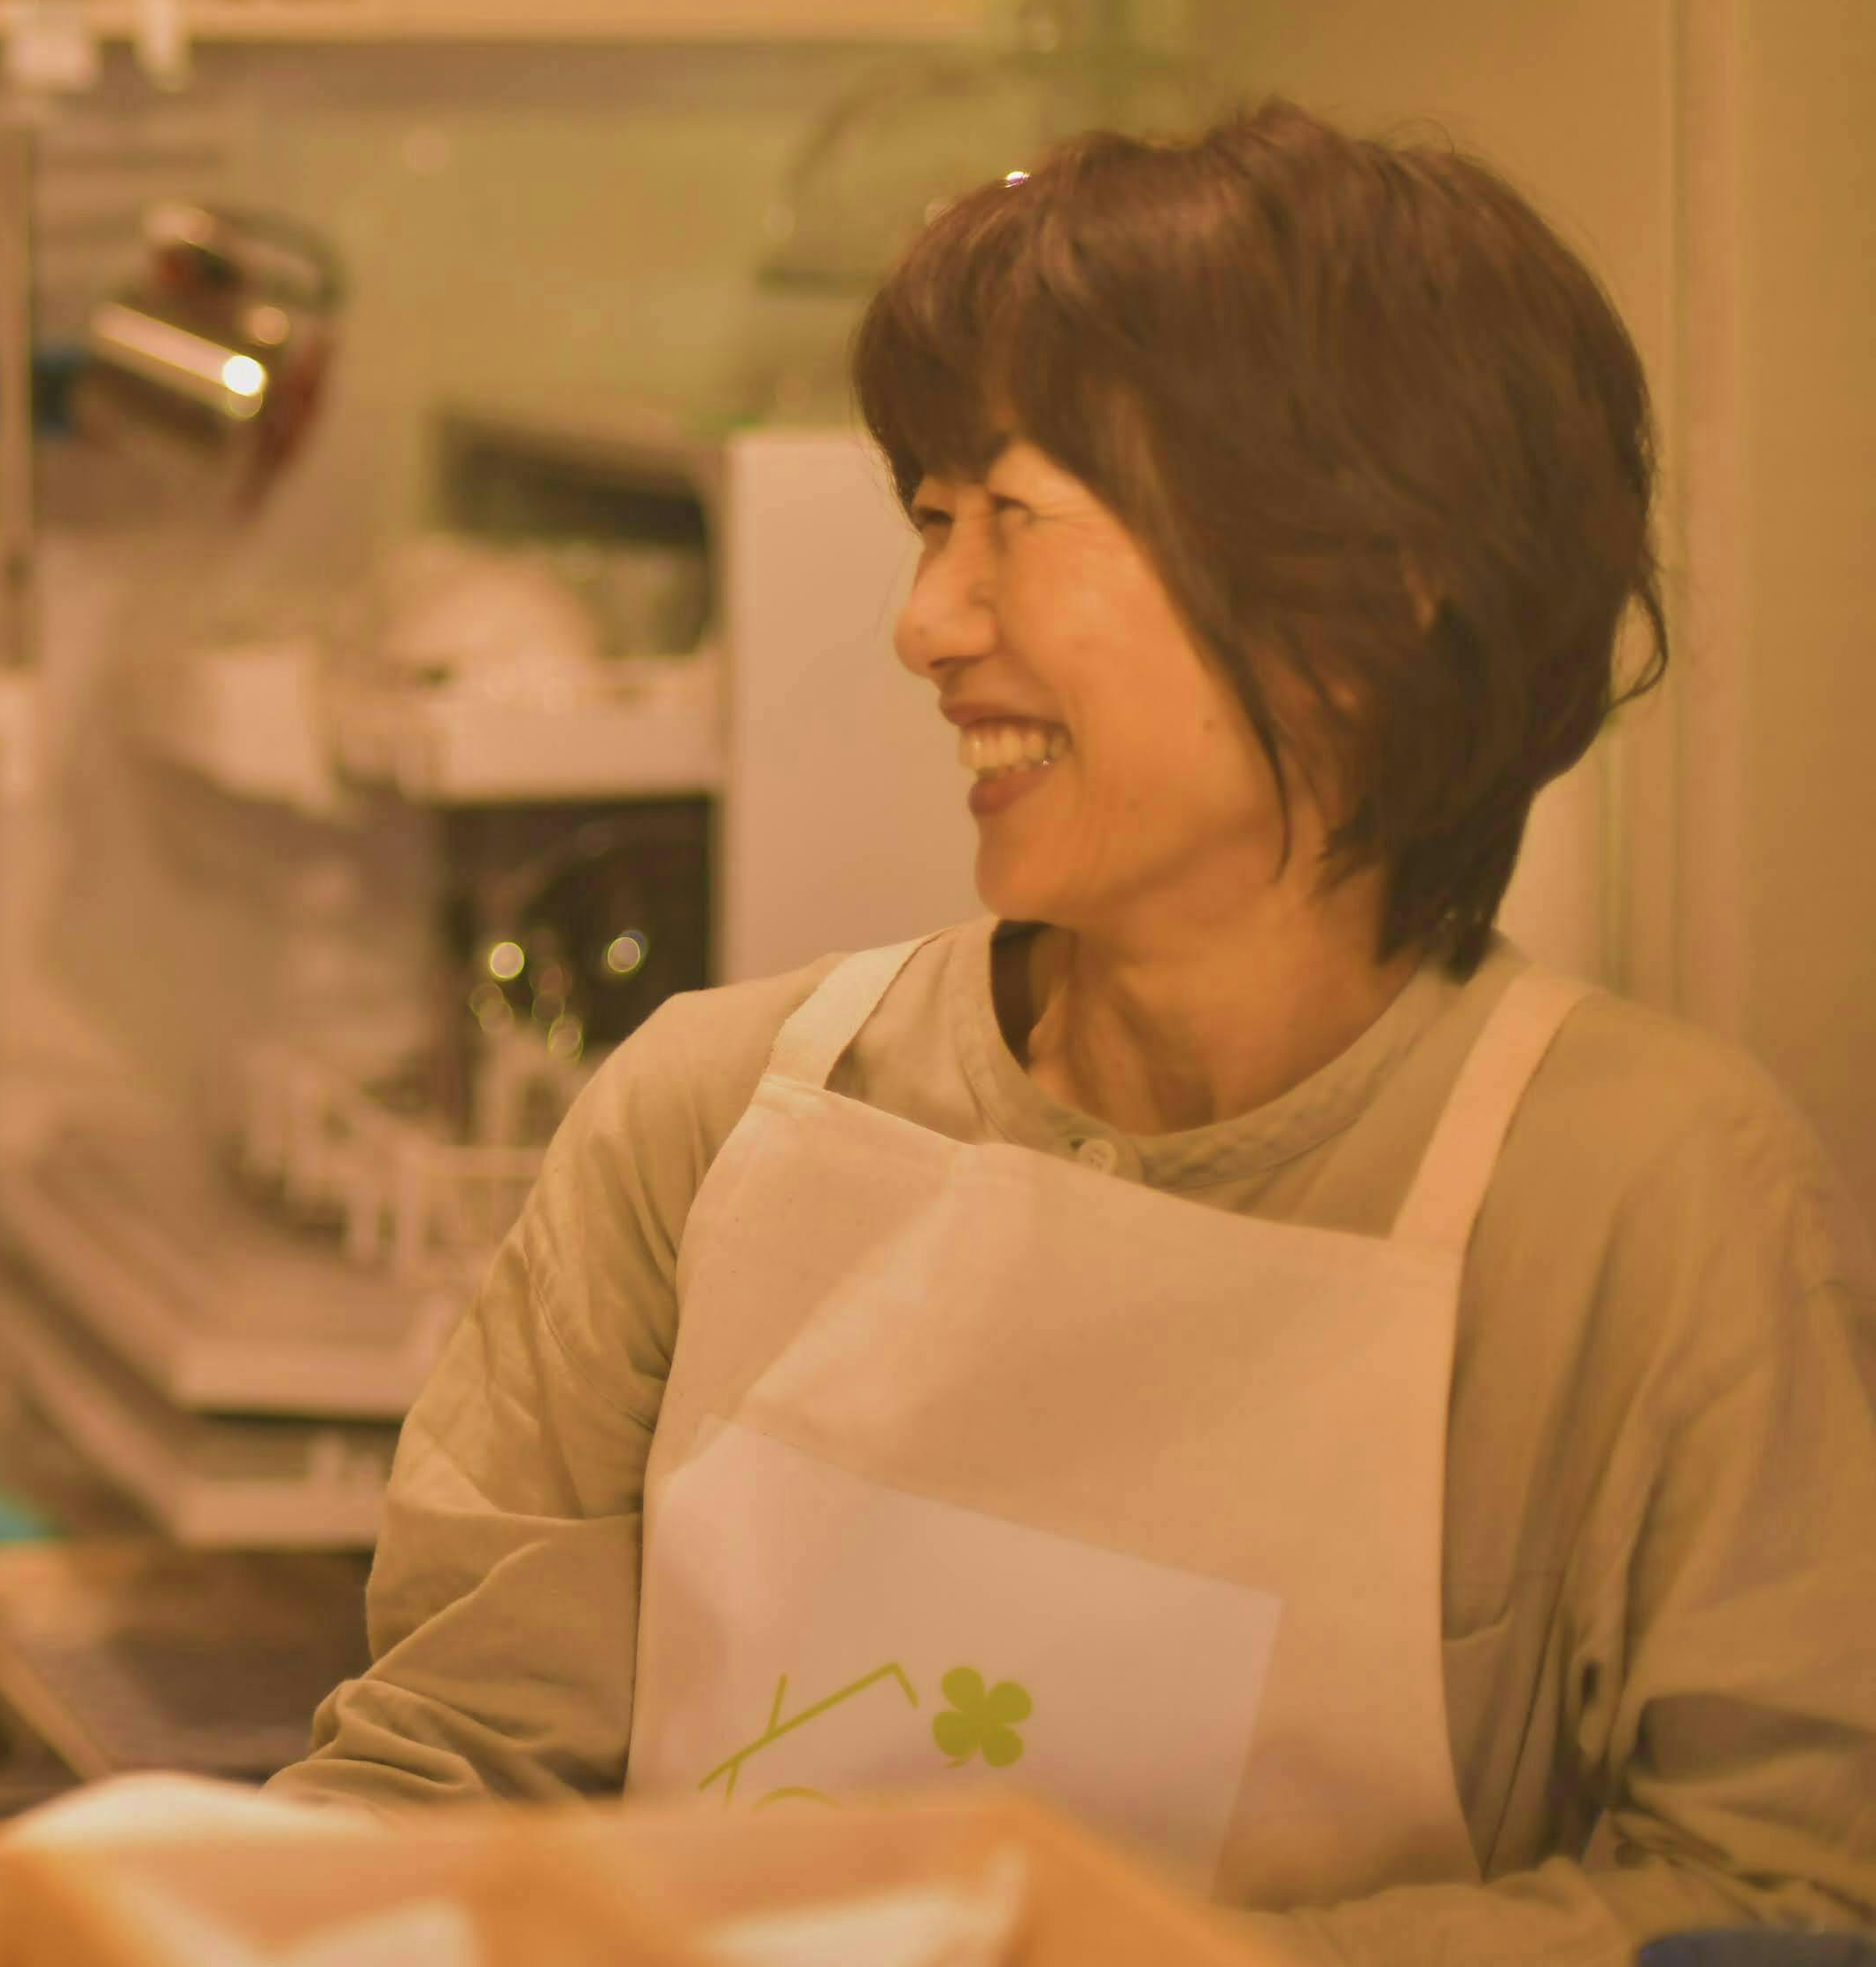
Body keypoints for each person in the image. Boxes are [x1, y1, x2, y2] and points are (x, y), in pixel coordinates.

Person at [274, 106, 1876, 1958]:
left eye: (1014, 519)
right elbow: (444, 1774)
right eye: (928, 522)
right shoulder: (714, 1120)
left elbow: (1784, 1896)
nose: (925, 622)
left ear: (1381, 584)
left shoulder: (1634, 1194)